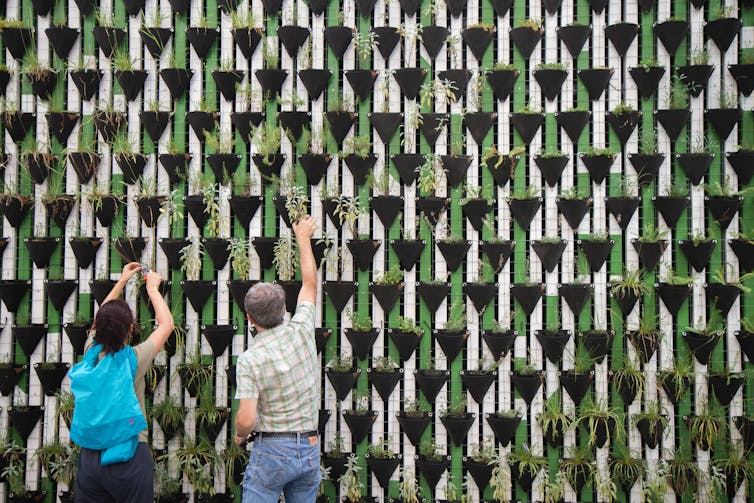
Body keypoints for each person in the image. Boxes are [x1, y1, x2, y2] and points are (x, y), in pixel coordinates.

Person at [234, 215, 321, 502]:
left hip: (271, 449)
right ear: (284, 308)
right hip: (309, 445)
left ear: (249, 318)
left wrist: (239, 436)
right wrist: (303, 239)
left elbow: (246, 419)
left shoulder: (249, 360)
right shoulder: (302, 329)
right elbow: (310, 283)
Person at [73, 263, 174, 503]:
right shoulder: (134, 361)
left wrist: (121, 281)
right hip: (128, 455)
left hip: (90, 457)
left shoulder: (90, 353)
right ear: (131, 329)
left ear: (97, 330)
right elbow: (167, 325)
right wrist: (152, 289)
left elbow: (100, 320)